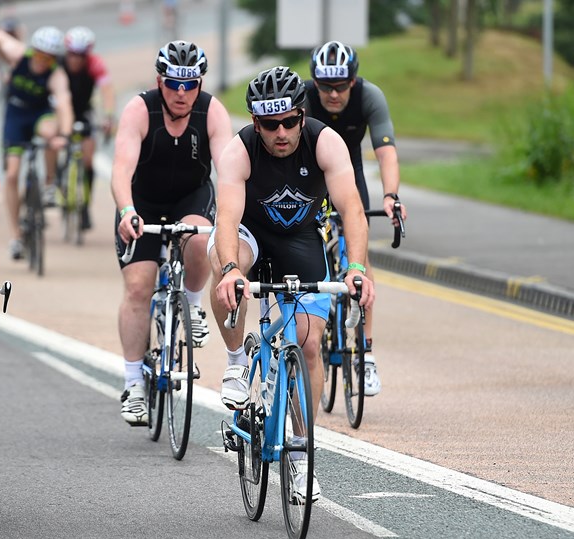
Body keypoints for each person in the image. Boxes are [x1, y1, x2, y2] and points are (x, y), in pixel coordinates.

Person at [209, 66, 375, 499]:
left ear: (302, 115)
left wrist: (356, 268)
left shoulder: (326, 143)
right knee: (229, 266)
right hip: (249, 235)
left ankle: (301, 457)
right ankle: (236, 363)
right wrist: (230, 270)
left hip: (300, 240)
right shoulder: (239, 151)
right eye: (268, 124)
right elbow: (226, 217)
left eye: (288, 122)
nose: (280, 132)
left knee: (310, 344)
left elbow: (352, 211)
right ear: (254, 120)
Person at [112, 40, 233, 425]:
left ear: (199, 84)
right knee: (138, 287)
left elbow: (230, 173)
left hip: (190, 197)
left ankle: (193, 304)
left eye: (190, 84)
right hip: (142, 203)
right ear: (159, 81)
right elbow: (121, 169)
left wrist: (233, 216)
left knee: (200, 238)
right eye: (173, 84)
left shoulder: (212, 111)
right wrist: (127, 210)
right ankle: (133, 383)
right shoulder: (139, 109)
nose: (181, 93)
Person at [304, 40, 407, 396]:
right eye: (325, 86)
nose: (333, 94)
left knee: (360, 259)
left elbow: (386, 153)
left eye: (341, 85)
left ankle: (365, 354)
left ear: (353, 81)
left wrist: (391, 196)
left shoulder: (369, 96)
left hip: (350, 178)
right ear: (314, 83)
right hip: (312, 177)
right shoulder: (302, 98)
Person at [0, 25, 74, 260]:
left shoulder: (57, 74)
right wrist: (1, 49)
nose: (42, 61)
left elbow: (64, 103)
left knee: (52, 133)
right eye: (39, 55)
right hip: (16, 115)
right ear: (33, 51)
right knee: (12, 174)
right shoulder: (18, 54)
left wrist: (65, 136)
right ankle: (16, 236)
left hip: (40, 114)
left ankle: (49, 183)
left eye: (48, 58)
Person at [61, 26, 116, 230]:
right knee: (54, 142)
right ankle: (53, 180)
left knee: (87, 158)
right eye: (72, 54)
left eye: (81, 55)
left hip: (84, 111)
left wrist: (109, 116)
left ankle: (84, 205)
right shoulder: (58, 64)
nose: (75, 59)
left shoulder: (95, 64)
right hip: (60, 110)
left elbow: (107, 91)